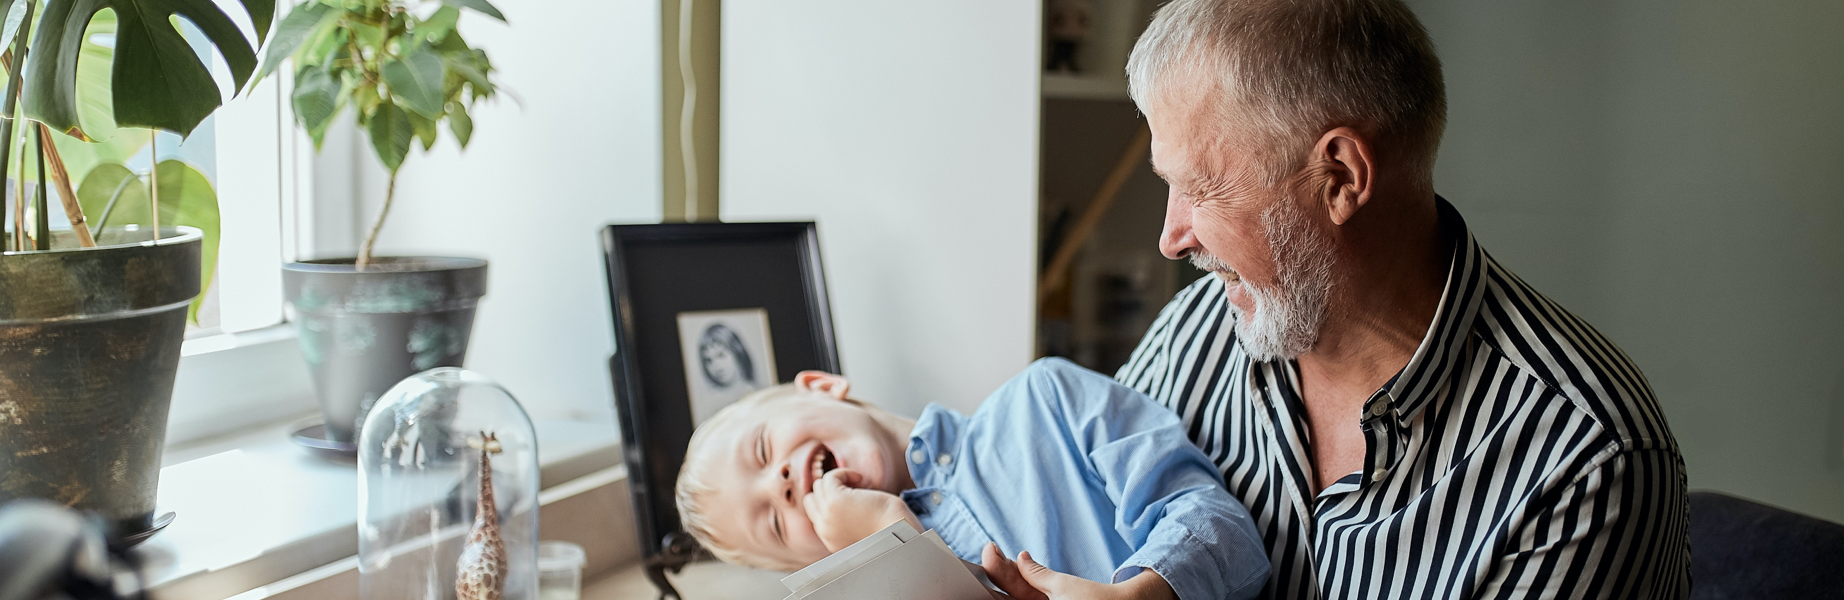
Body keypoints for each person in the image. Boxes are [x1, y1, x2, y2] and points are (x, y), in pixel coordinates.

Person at [1111, 0, 1690, 598]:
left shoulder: (1584, 457)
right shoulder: (1196, 331)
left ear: (1340, 177)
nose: (1171, 240)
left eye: (1197, 187)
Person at [674, 358, 1272, 600]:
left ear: (824, 387)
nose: (779, 486)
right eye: (776, 522)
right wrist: (894, 552)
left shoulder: (1045, 402)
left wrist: (1145, 594)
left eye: (762, 449)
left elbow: (1222, 527)